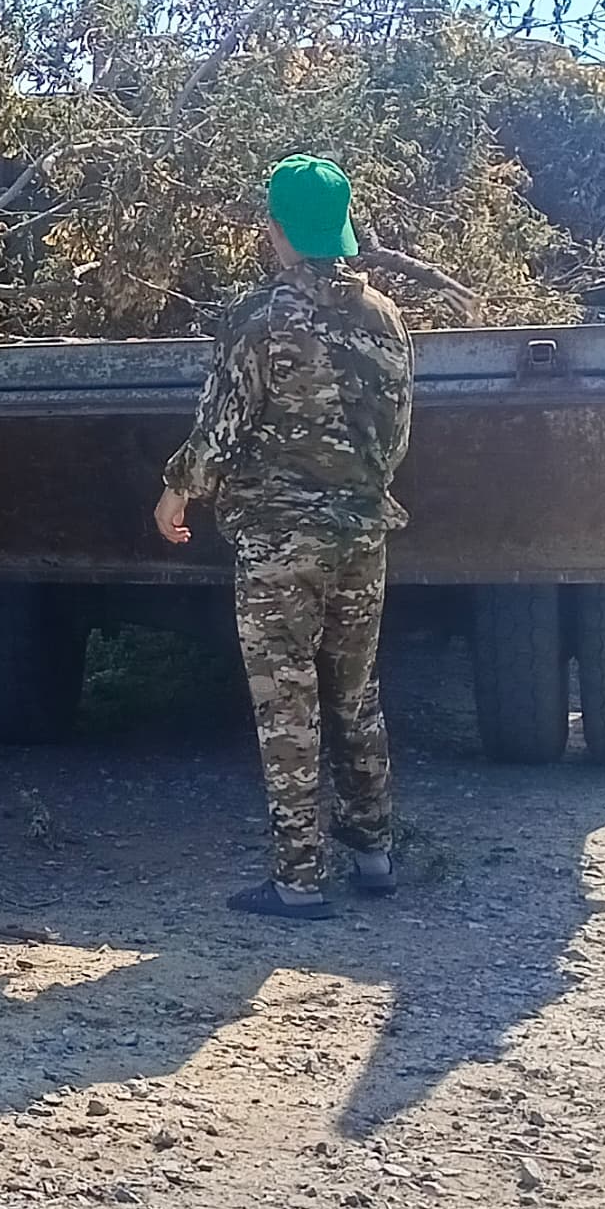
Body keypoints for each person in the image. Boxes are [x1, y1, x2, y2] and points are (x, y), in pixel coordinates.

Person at [153, 154, 417, 921]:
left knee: (287, 704)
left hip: (278, 544)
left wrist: (177, 490)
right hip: (361, 535)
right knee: (356, 693)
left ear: (278, 229)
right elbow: (397, 435)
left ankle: (299, 879)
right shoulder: (387, 318)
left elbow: (221, 426)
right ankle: (374, 851)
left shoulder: (259, 316)